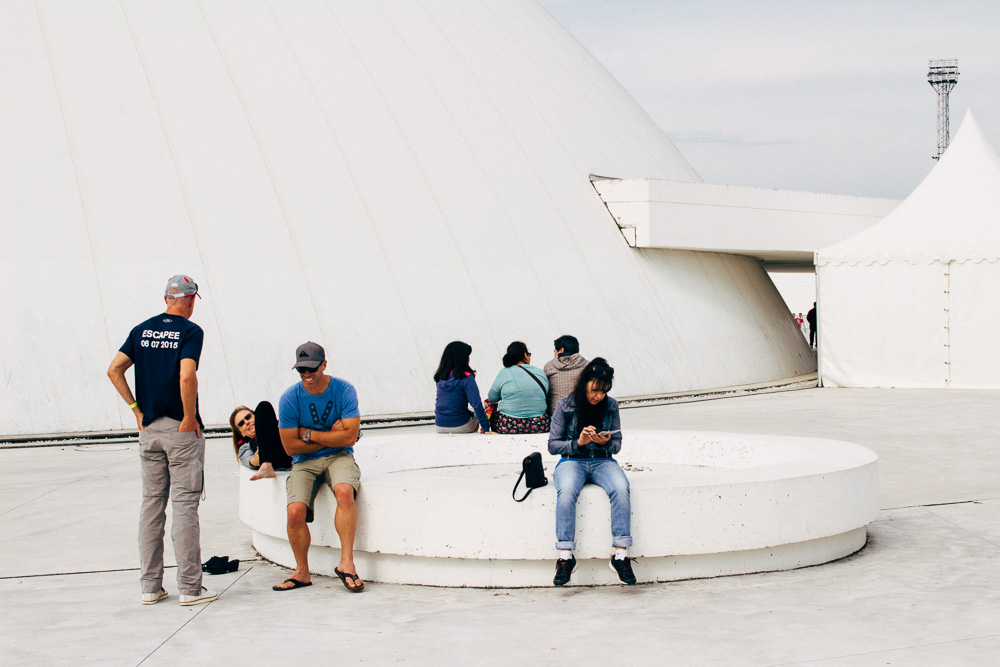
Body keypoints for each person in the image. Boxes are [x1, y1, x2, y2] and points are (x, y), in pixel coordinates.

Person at [106, 274, 217, 606]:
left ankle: (150, 587)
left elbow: (114, 370)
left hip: (149, 429)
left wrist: (137, 411)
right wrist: (187, 416)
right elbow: (187, 373)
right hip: (179, 430)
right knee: (184, 506)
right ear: (191, 299)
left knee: (151, 505)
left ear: (166, 298)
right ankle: (189, 588)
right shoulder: (189, 331)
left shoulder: (142, 330)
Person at [274, 342, 365, 592]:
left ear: (324, 364)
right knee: (294, 512)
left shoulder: (344, 390)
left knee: (345, 492)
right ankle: (302, 572)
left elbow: (348, 438)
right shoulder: (289, 398)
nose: (306, 374)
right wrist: (327, 434)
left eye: (311, 368)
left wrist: (309, 434)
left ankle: (347, 563)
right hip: (304, 462)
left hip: (340, 456)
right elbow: (290, 448)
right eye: (301, 369)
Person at [547, 358, 635, 586]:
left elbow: (617, 445)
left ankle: (621, 555)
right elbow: (553, 445)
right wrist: (579, 442)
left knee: (621, 487)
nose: (599, 396)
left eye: (604, 391)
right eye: (595, 390)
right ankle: (566, 557)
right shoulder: (565, 405)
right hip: (571, 460)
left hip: (603, 460)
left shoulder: (611, 405)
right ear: (584, 383)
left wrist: (606, 442)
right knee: (566, 491)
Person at [487, 341, 550, 434]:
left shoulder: (504, 372)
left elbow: (492, 398)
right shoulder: (540, 372)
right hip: (540, 424)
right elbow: (546, 394)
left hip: (508, 425)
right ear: (525, 355)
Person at [434, 341, 490, 433]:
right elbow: (476, 404)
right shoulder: (466, 377)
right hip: (461, 425)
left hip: (439, 425)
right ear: (463, 358)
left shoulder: (440, 377)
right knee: (477, 413)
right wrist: (486, 428)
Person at [230, 402, 293, 480]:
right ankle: (266, 464)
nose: (247, 422)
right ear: (241, 433)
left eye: (248, 417)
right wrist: (254, 461)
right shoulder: (246, 447)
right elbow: (247, 459)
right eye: (241, 423)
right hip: (281, 458)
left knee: (263, 406)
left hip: (292, 445)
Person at [543, 335, 589, 415]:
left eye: (555, 351)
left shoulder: (549, 367)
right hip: (582, 415)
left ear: (561, 350)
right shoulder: (588, 366)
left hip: (556, 416)